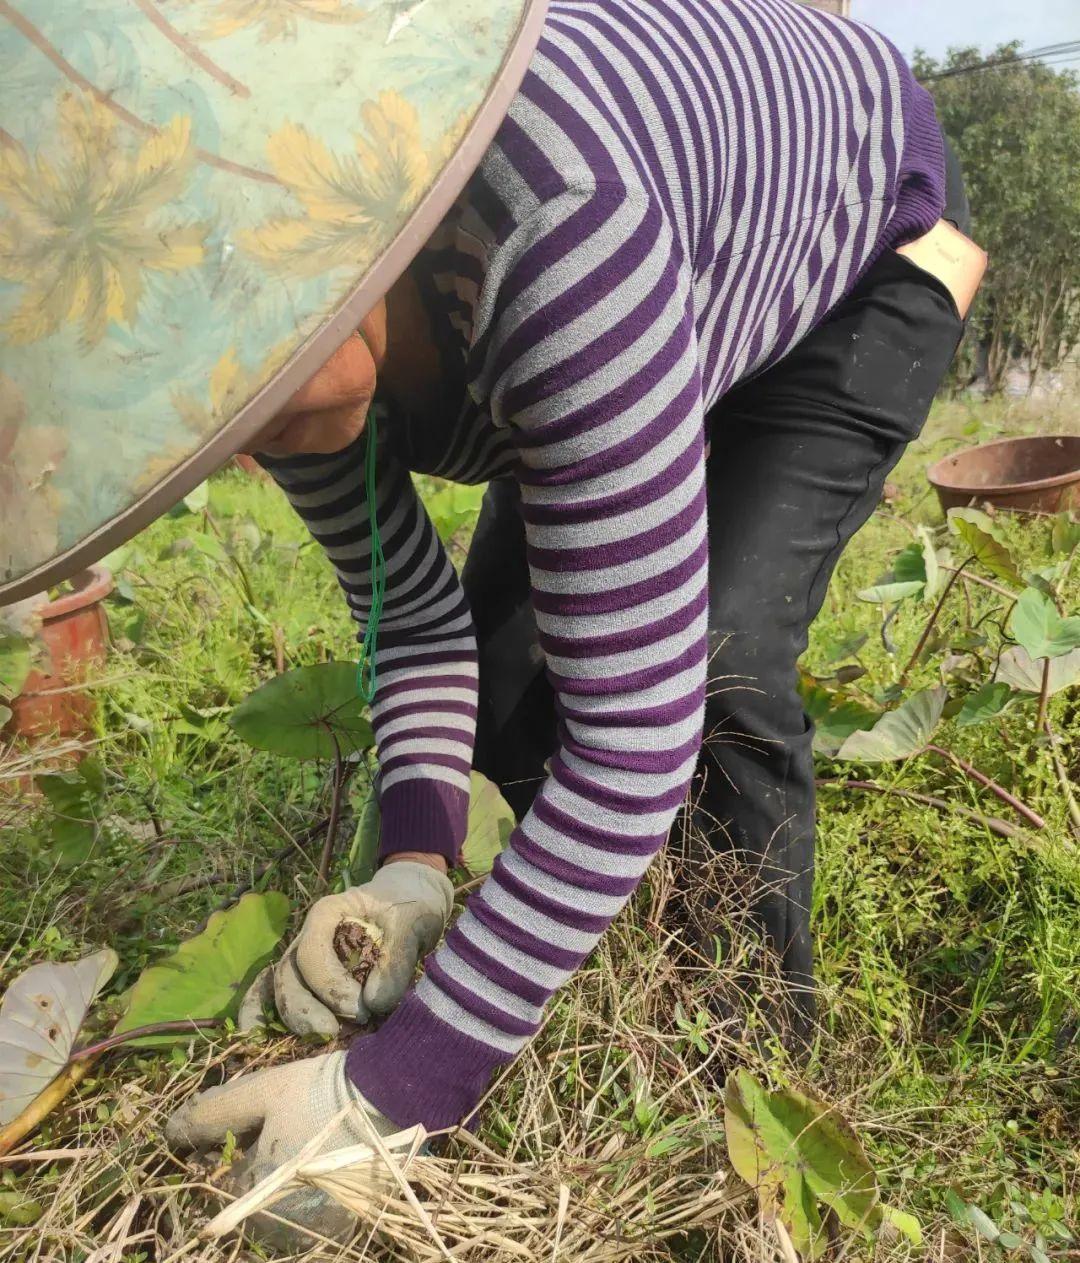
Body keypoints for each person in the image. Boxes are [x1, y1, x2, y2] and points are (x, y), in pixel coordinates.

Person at [164, 0, 986, 1244]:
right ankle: (528, 971)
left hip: (855, 251)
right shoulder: (263, 369)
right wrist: (410, 868)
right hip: (652, 258)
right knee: (503, 675)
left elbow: (632, 744)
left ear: (337, 227)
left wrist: (386, 1097)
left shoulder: (559, 232)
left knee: (713, 669)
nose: (238, 432)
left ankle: (751, 1103)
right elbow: (417, 630)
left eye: (250, 356)